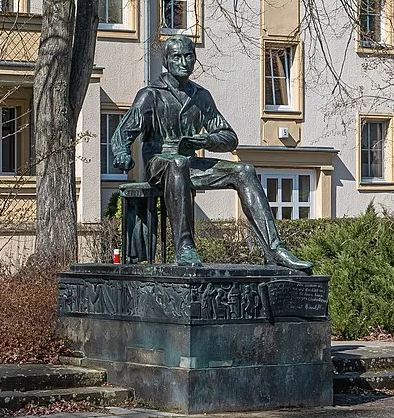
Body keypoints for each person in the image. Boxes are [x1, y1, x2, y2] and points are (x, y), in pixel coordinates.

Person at [107, 35, 311, 271]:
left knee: (244, 171)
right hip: (159, 163)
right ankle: (184, 247)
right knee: (178, 164)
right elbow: (123, 133)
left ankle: (275, 249)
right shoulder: (150, 95)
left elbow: (229, 137)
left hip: (190, 163)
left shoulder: (201, 96)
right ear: (166, 62)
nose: (184, 62)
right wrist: (121, 153)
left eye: (189, 56)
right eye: (177, 57)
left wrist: (206, 139)